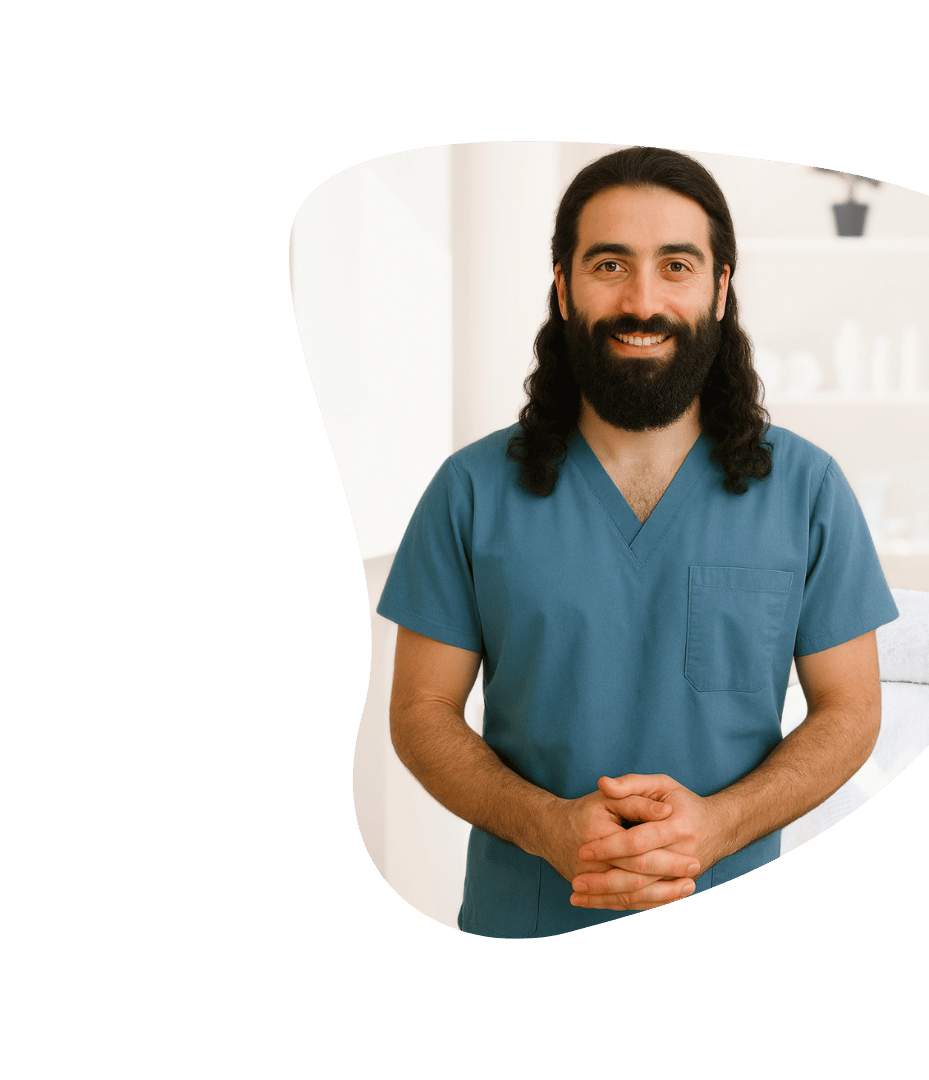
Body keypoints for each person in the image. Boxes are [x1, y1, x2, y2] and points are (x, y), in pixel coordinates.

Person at [377, 146, 897, 939]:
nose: (642, 301)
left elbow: (852, 710)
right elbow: (421, 712)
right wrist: (545, 825)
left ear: (720, 288)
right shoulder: (470, 491)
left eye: (677, 266)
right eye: (610, 265)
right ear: (563, 286)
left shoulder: (808, 489)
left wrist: (720, 826)